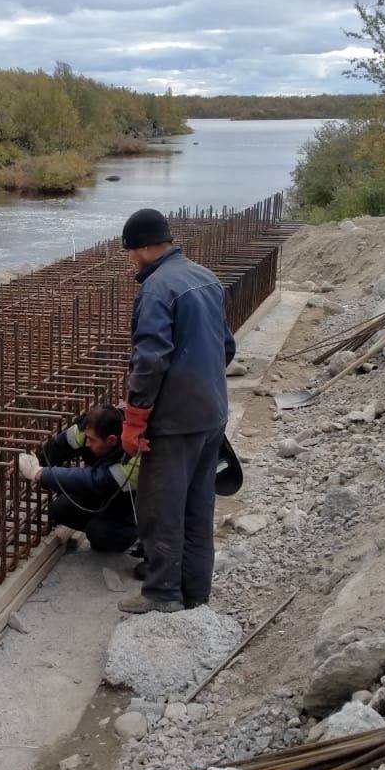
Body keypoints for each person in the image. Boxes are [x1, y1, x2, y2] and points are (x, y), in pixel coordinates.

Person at [115, 208, 236, 615]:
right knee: (199, 507)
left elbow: (149, 361)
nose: (131, 259)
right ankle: (196, 593)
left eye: (132, 251)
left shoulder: (157, 289)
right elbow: (226, 348)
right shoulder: (205, 277)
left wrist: (135, 419)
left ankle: (163, 595)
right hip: (212, 415)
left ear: (148, 247)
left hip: (174, 423)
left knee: (162, 509)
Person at [18, 405, 139, 552]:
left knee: (98, 533)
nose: (87, 443)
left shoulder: (134, 457)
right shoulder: (90, 428)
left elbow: (94, 480)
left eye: (92, 440)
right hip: (103, 496)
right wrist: (35, 461)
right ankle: (101, 524)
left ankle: (135, 540)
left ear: (111, 440)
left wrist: (40, 473)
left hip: (131, 510)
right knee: (60, 509)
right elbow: (58, 448)